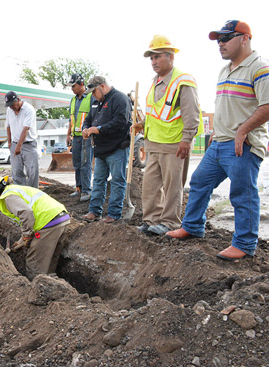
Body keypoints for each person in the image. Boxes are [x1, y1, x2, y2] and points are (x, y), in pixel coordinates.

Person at [166, 20, 269, 260]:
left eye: (226, 38)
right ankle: (192, 226)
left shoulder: (260, 68)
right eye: (218, 40)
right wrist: (215, 132)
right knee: (200, 181)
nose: (220, 44)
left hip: (242, 144)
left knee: (242, 193)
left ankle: (244, 244)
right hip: (220, 142)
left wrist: (243, 130)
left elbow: (266, 106)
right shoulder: (225, 70)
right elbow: (227, 107)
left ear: (244, 38)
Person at [133, 35, 203, 236]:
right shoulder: (156, 82)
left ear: (171, 57)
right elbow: (157, 111)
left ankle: (170, 222)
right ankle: (151, 220)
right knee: (150, 186)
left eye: (157, 57)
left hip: (174, 143)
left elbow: (192, 113)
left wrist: (187, 139)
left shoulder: (183, 80)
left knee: (173, 186)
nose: (154, 62)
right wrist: (142, 124)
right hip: (153, 143)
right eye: (151, 58)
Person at [0, 175, 70, 280]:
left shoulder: (9, 197)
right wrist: (22, 241)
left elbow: (26, 213)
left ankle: (35, 287)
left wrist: (27, 235)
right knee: (49, 258)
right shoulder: (16, 189)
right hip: (62, 218)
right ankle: (51, 283)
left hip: (48, 222)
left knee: (34, 263)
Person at [81, 76, 132, 223]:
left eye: (94, 91)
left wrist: (99, 129)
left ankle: (113, 214)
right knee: (98, 180)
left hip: (117, 148)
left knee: (117, 181)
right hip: (101, 149)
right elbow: (88, 119)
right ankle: (94, 211)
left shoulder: (120, 99)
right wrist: (86, 128)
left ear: (102, 87)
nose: (92, 95)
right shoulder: (96, 102)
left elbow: (121, 121)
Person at [66, 73, 94, 202]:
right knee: (77, 164)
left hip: (86, 137)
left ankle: (86, 190)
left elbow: (95, 115)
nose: (72, 88)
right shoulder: (73, 100)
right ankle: (79, 188)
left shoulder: (90, 97)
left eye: (74, 86)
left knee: (85, 164)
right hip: (76, 137)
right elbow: (71, 119)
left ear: (81, 84)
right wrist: (68, 134)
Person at [5, 91, 39, 188]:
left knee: (32, 172)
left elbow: (26, 129)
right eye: (9, 105)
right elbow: (8, 126)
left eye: (12, 104)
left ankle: (33, 195)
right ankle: (21, 194)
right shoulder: (9, 110)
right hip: (15, 144)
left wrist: (19, 146)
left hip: (29, 145)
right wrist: (9, 142)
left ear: (18, 100)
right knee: (16, 172)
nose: (11, 107)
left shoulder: (29, 109)